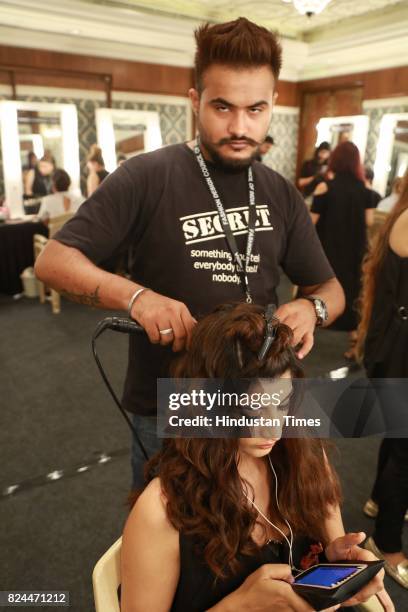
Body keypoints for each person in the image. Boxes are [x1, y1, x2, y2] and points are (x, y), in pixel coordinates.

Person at [35, 17, 344, 488]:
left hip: (258, 400)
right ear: (195, 100)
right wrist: (139, 299)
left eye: (256, 109)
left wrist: (311, 306)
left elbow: (332, 289)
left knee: (252, 539)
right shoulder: (147, 176)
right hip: (172, 403)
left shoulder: (279, 192)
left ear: (273, 105)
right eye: (222, 107)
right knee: (165, 548)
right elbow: (53, 261)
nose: (240, 126)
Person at [121, 302, 392, 612]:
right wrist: (241, 605)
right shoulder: (161, 512)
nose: (273, 429)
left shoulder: (306, 455)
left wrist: (338, 559)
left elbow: (331, 552)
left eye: (283, 403)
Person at [356, 169, 408, 589]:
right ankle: (388, 545)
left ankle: (377, 500)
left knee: (399, 437)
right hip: (399, 354)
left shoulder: (400, 215)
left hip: (394, 351)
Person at [310, 141, 375, 361]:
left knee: (320, 287)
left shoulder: (325, 188)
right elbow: (369, 220)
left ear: (334, 160)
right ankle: (355, 344)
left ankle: (307, 331)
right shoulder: (364, 189)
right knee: (354, 292)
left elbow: (310, 223)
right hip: (356, 251)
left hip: (328, 250)